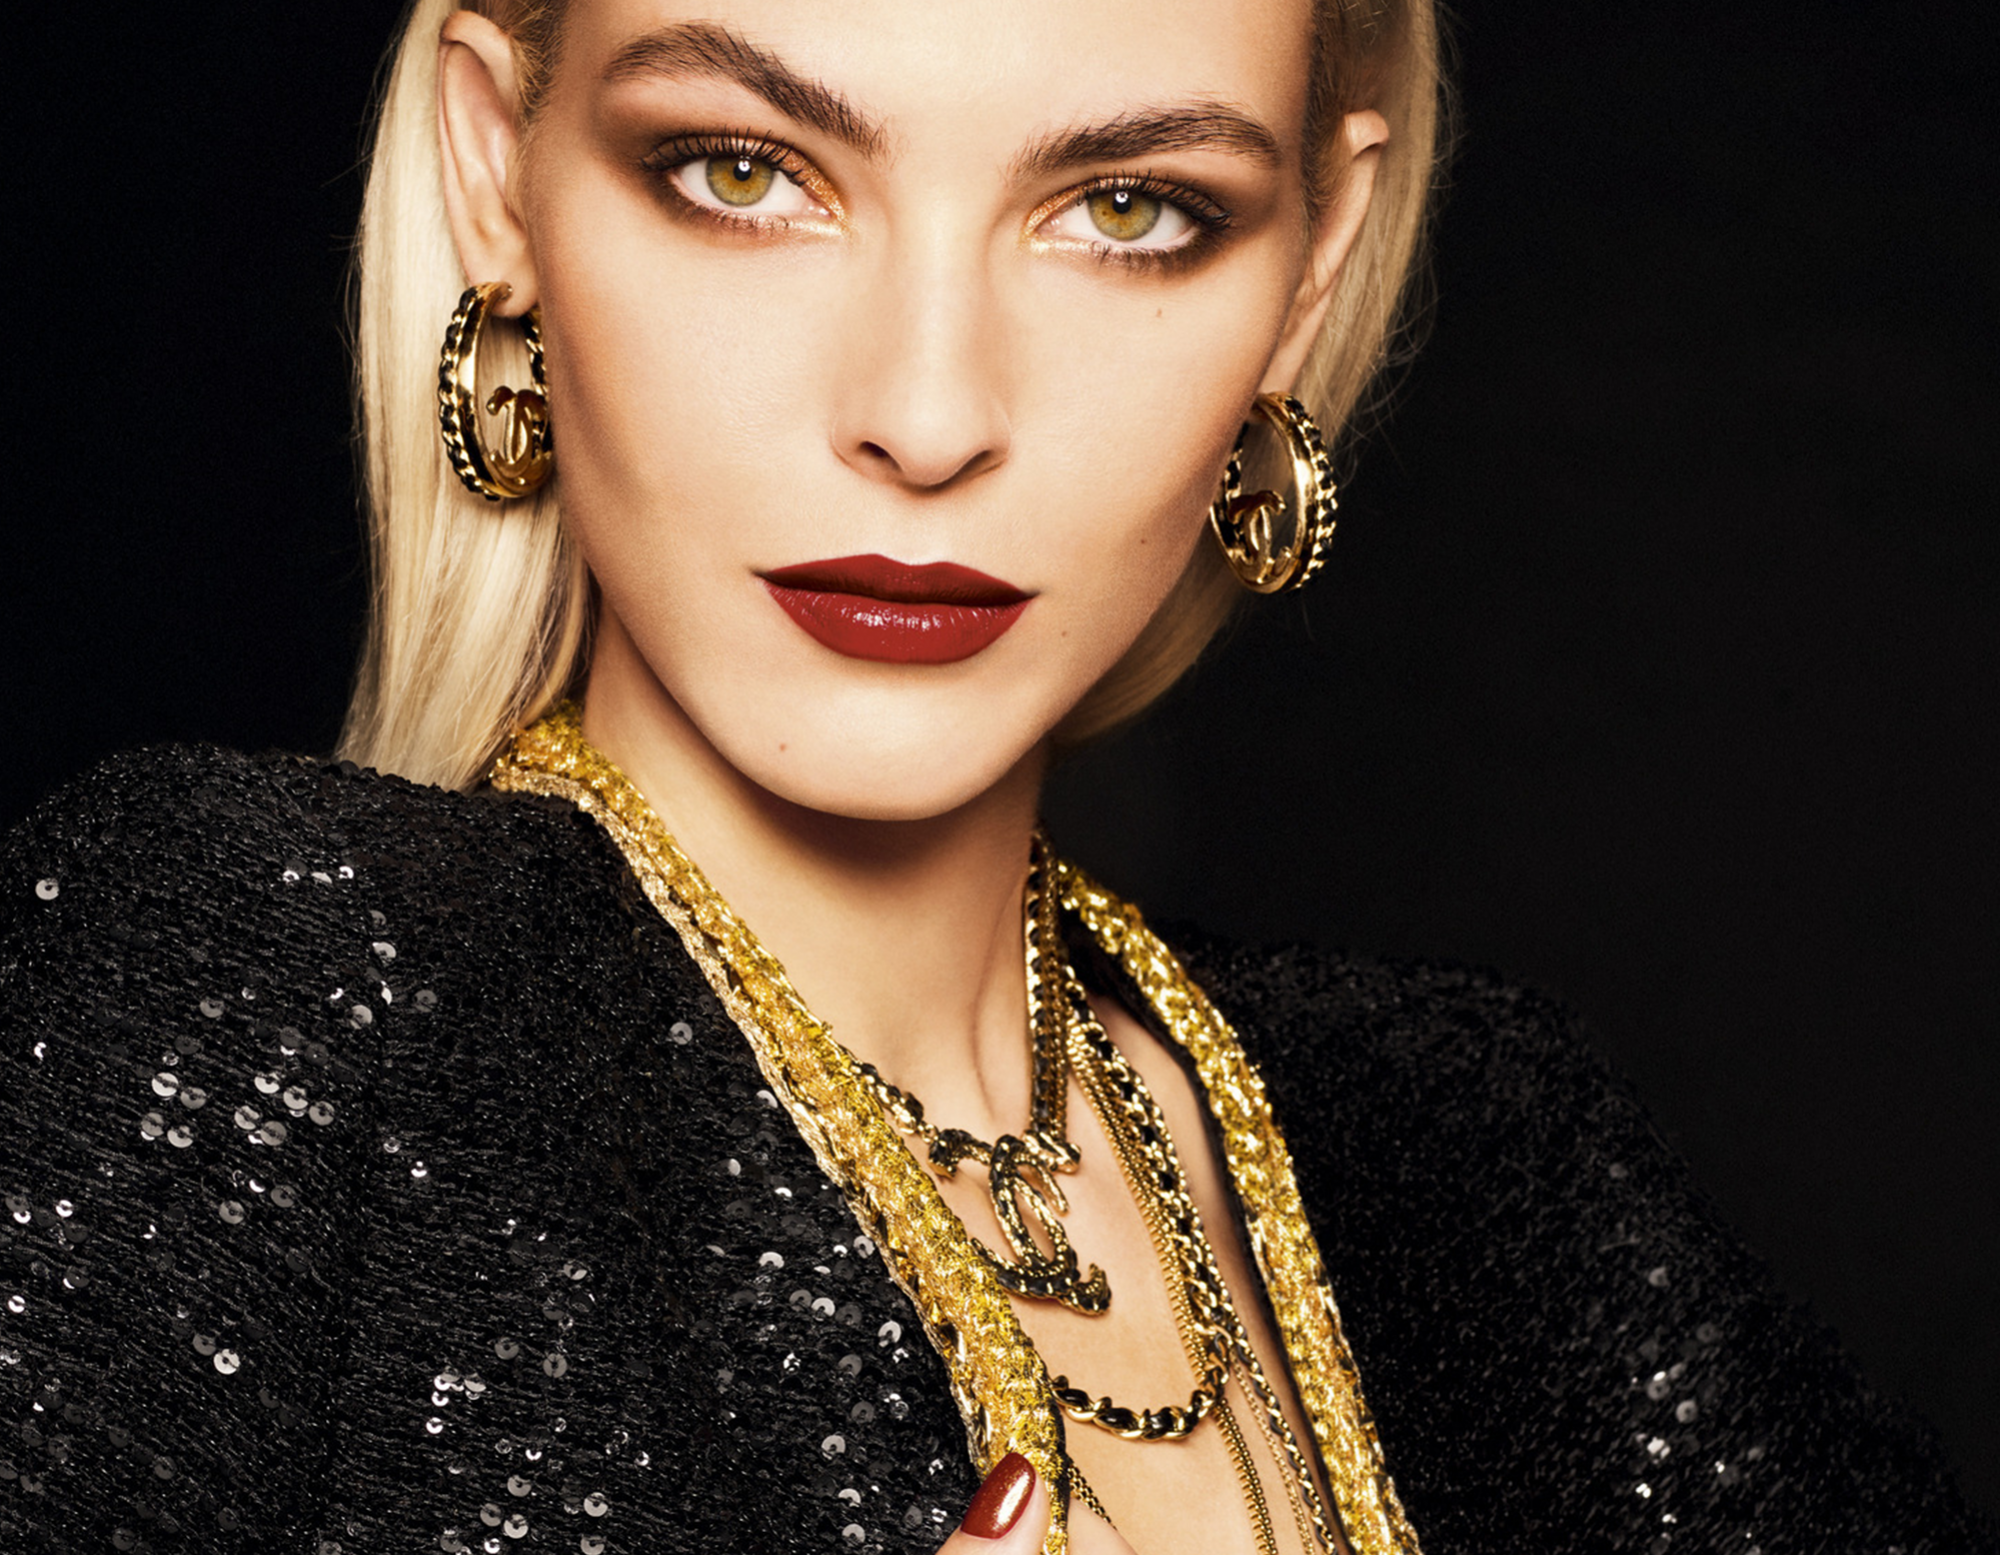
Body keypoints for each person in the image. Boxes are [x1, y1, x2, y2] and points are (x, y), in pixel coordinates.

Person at [0, 1, 1990, 1552]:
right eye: (742, 170)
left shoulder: (1489, 1172)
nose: (929, 413)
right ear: (494, 176)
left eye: (1129, 212)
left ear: (1309, 270)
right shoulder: (270, 986)